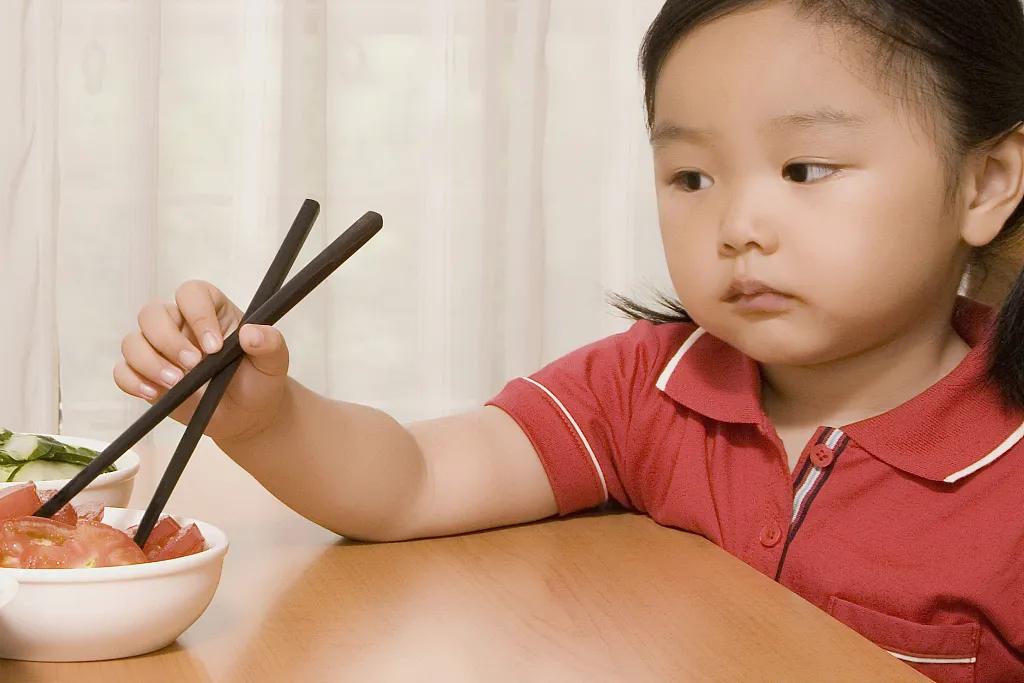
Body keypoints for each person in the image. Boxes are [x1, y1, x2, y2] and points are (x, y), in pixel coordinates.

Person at [115, 1, 1024, 680]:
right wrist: (263, 414)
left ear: (986, 182)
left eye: (805, 168)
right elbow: (411, 480)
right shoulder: (650, 383)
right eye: (692, 174)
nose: (740, 222)